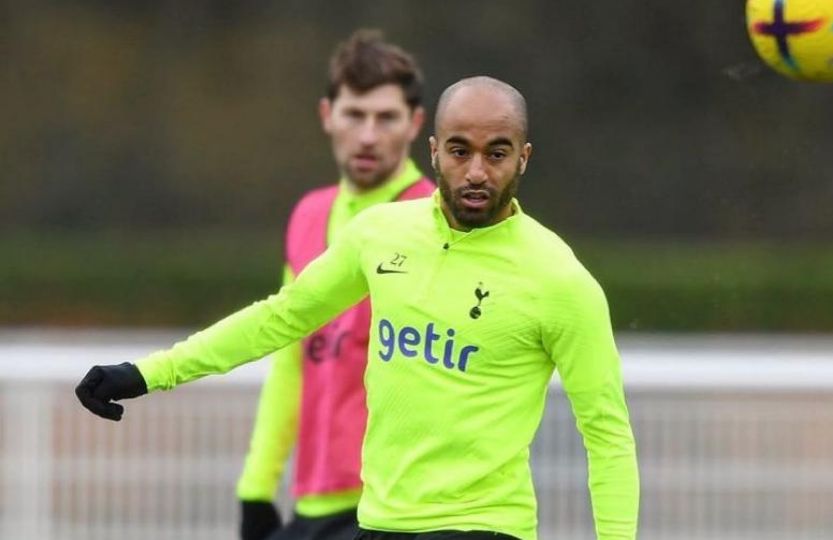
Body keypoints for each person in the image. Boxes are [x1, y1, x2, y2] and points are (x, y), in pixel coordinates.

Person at [76, 76, 640, 540]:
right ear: (435, 151)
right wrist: (148, 372)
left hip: (483, 526)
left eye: (497, 154)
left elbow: (607, 436)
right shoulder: (381, 235)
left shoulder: (560, 279)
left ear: (524, 158)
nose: (476, 172)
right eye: (460, 151)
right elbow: (283, 317)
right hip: (379, 521)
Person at [238, 30, 434, 540]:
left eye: (386, 117)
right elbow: (289, 356)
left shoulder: (434, 219)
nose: (368, 135)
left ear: (415, 123)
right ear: (328, 115)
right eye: (355, 114)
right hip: (315, 499)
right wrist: (257, 485)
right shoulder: (308, 215)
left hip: (398, 507)